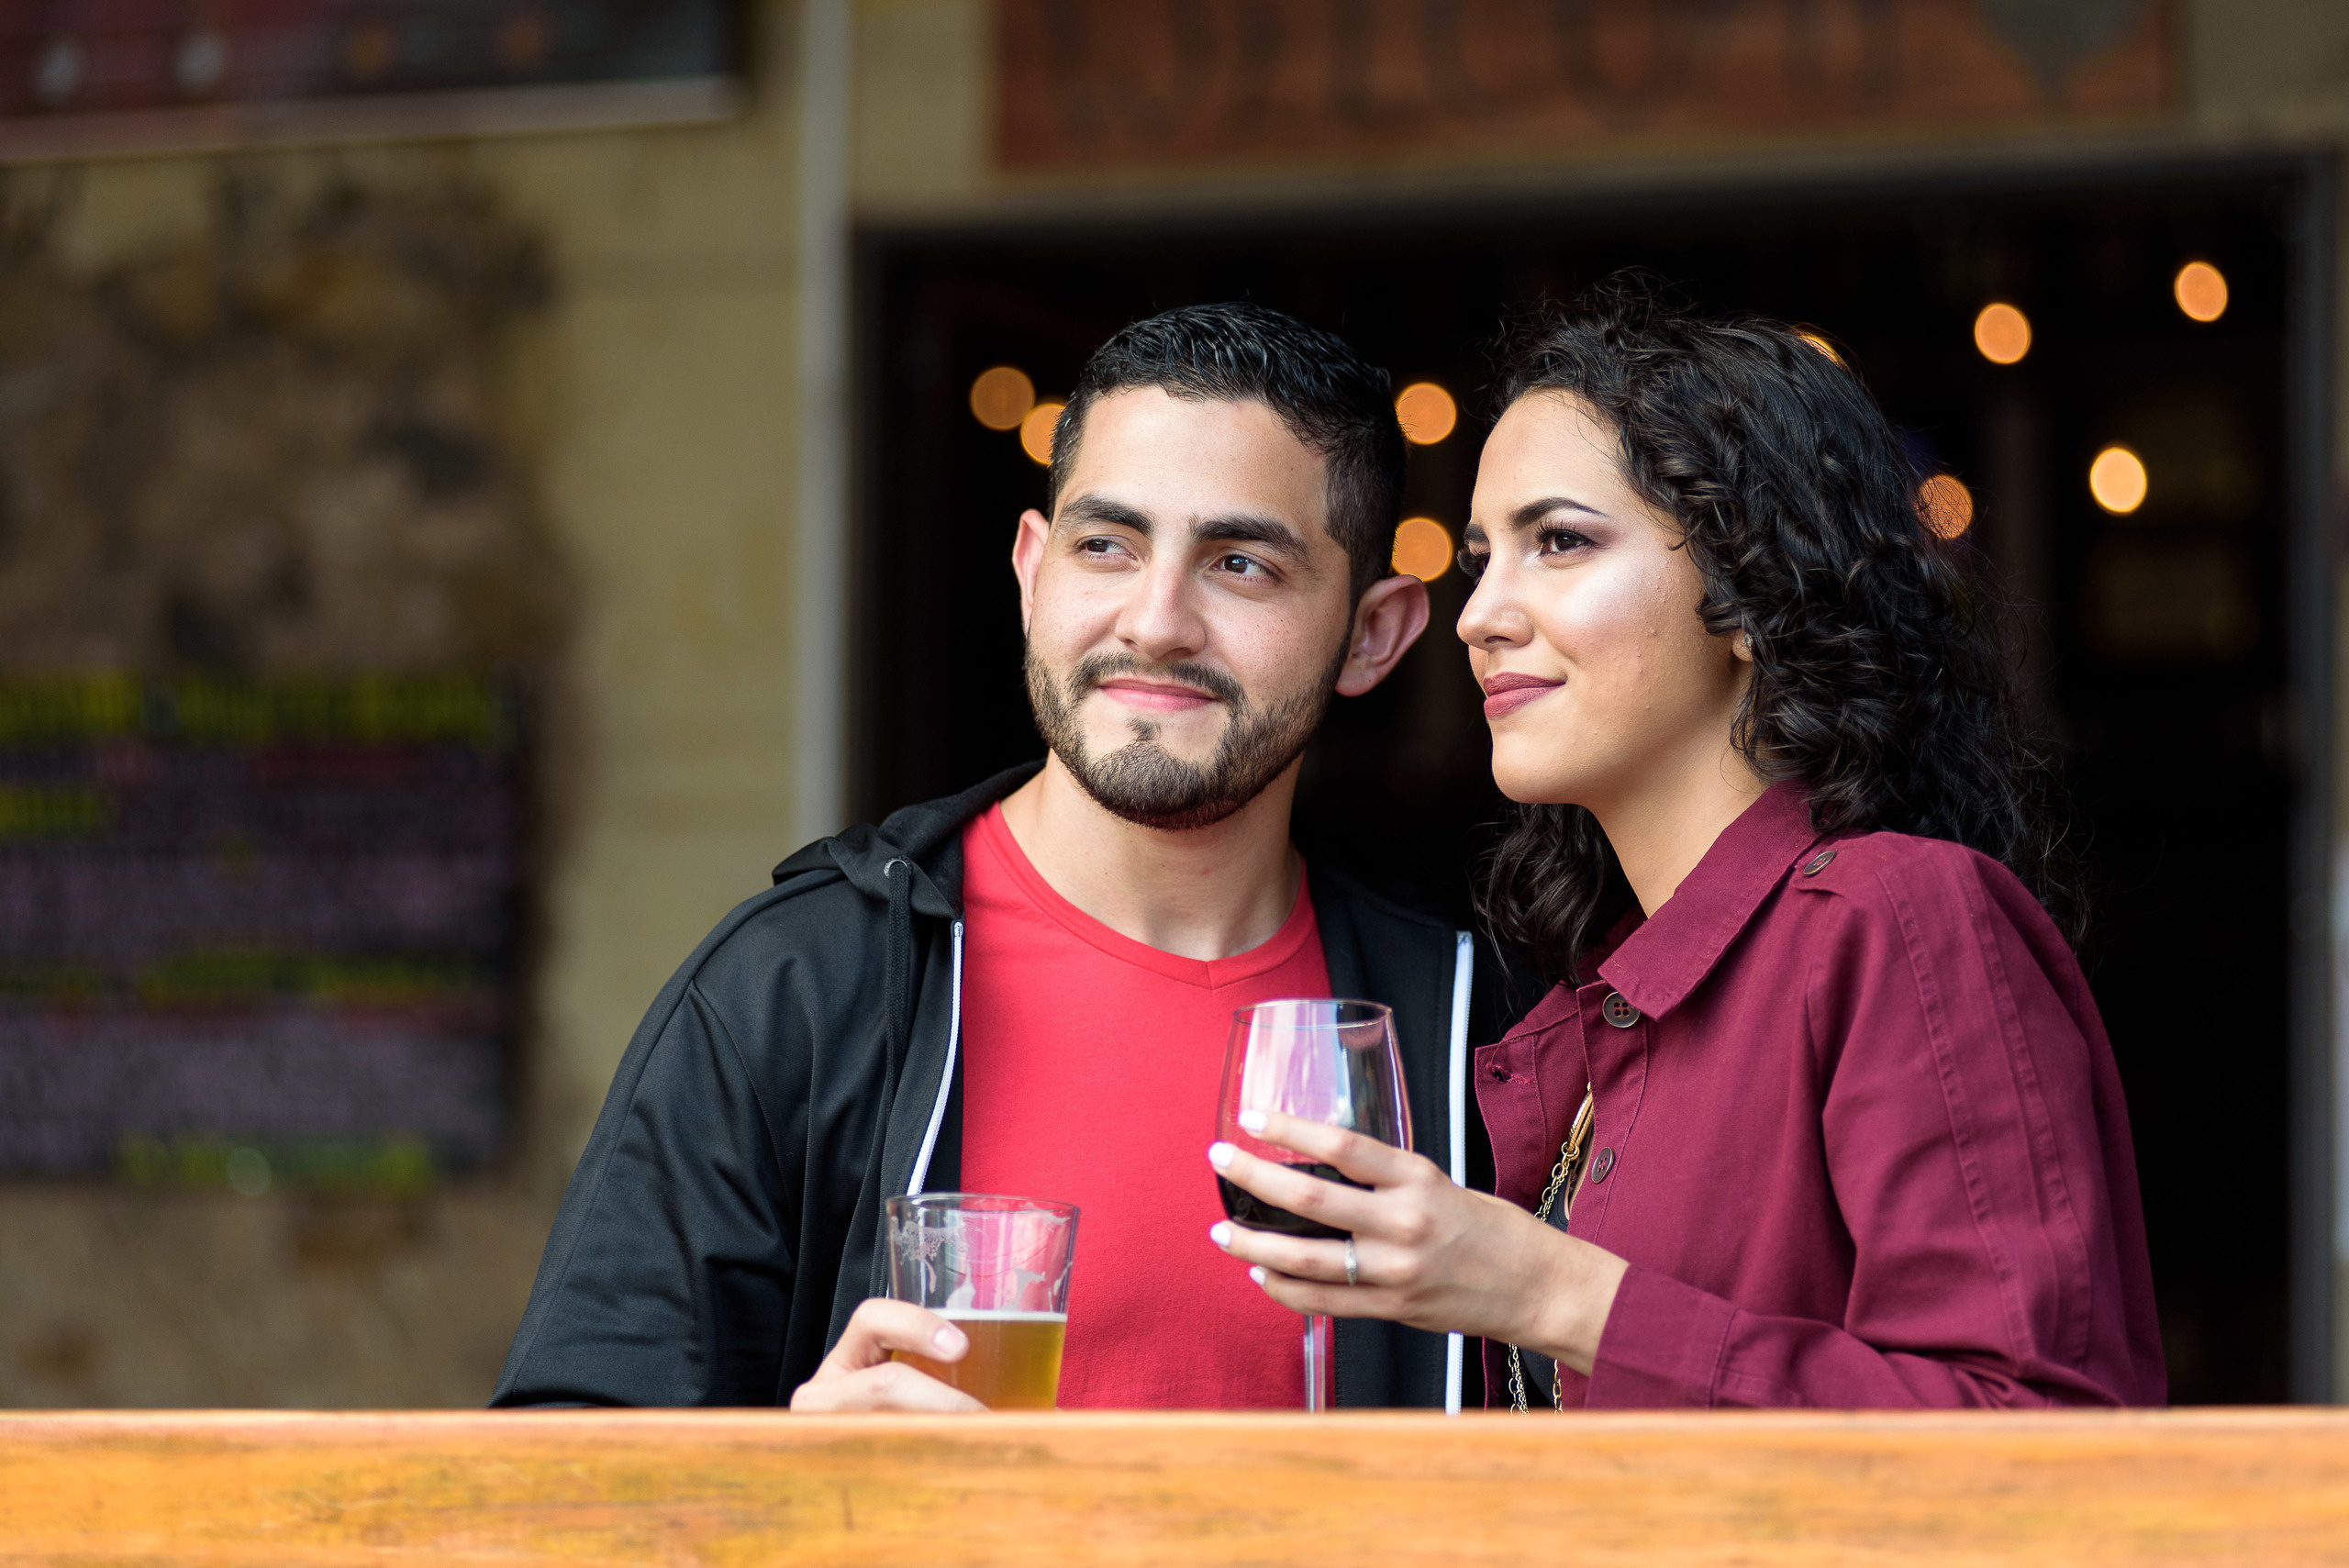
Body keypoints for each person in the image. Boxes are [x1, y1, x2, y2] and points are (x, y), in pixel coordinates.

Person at [492, 302, 1521, 1413]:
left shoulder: (1476, 1023)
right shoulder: (798, 988)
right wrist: (789, 1473)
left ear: (1372, 634)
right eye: (1105, 546)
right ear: (1032, 574)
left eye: (1239, 563)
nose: (1155, 620)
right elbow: (562, 1461)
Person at [1208, 284, 2167, 1408]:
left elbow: (2040, 1433)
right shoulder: (1609, 989)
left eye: (1558, 542)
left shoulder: (1894, 918)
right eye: (1481, 559)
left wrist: (1558, 1295)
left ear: (1750, 589)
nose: (1479, 614)